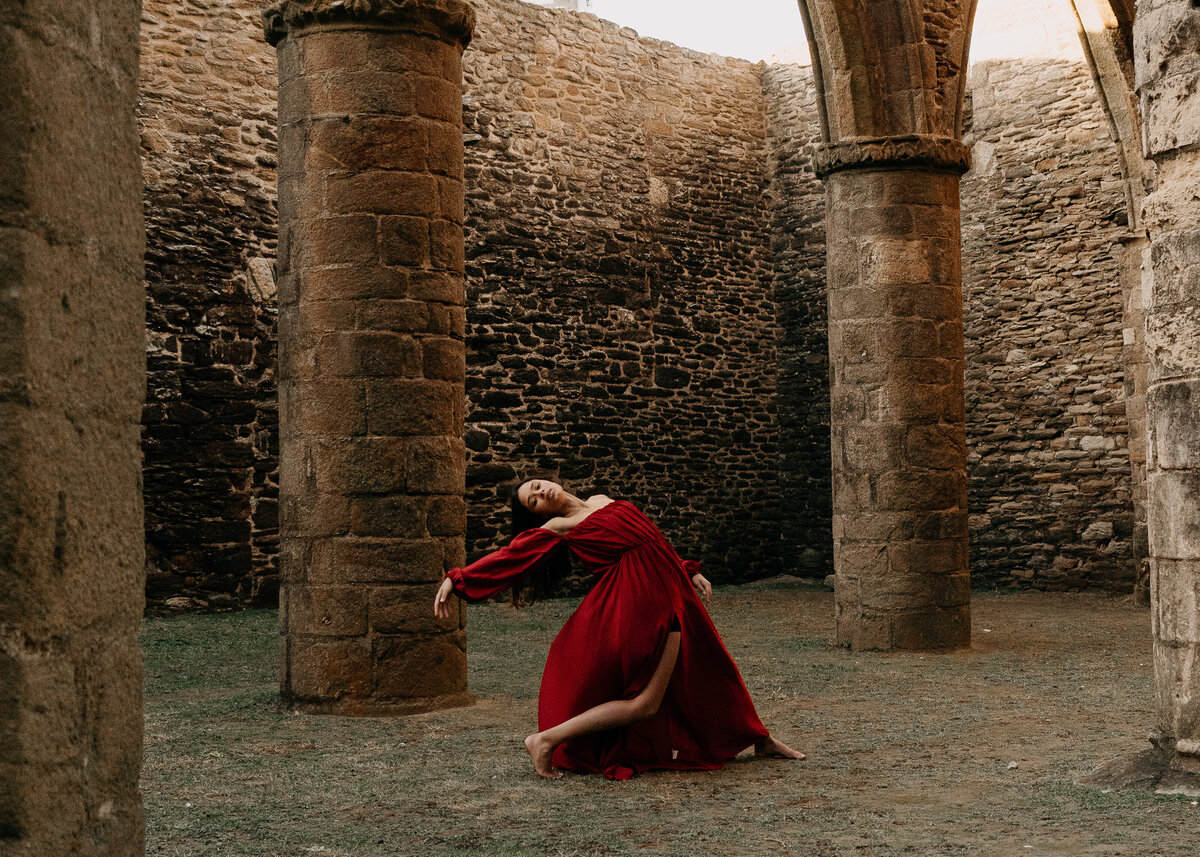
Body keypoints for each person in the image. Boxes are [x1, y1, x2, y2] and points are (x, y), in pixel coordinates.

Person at [433, 478, 805, 780]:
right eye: (533, 501)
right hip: (639, 602)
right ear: (539, 514)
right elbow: (511, 558)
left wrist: (687, 569)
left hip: (668, 590)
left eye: (536, 485)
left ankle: (759, 737)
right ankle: (545, 740)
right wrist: (459, 579)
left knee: (703, 667)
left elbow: (649, 538)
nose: (540, 493)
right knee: (658, 695)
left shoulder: (601, 498)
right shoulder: (561, 526)